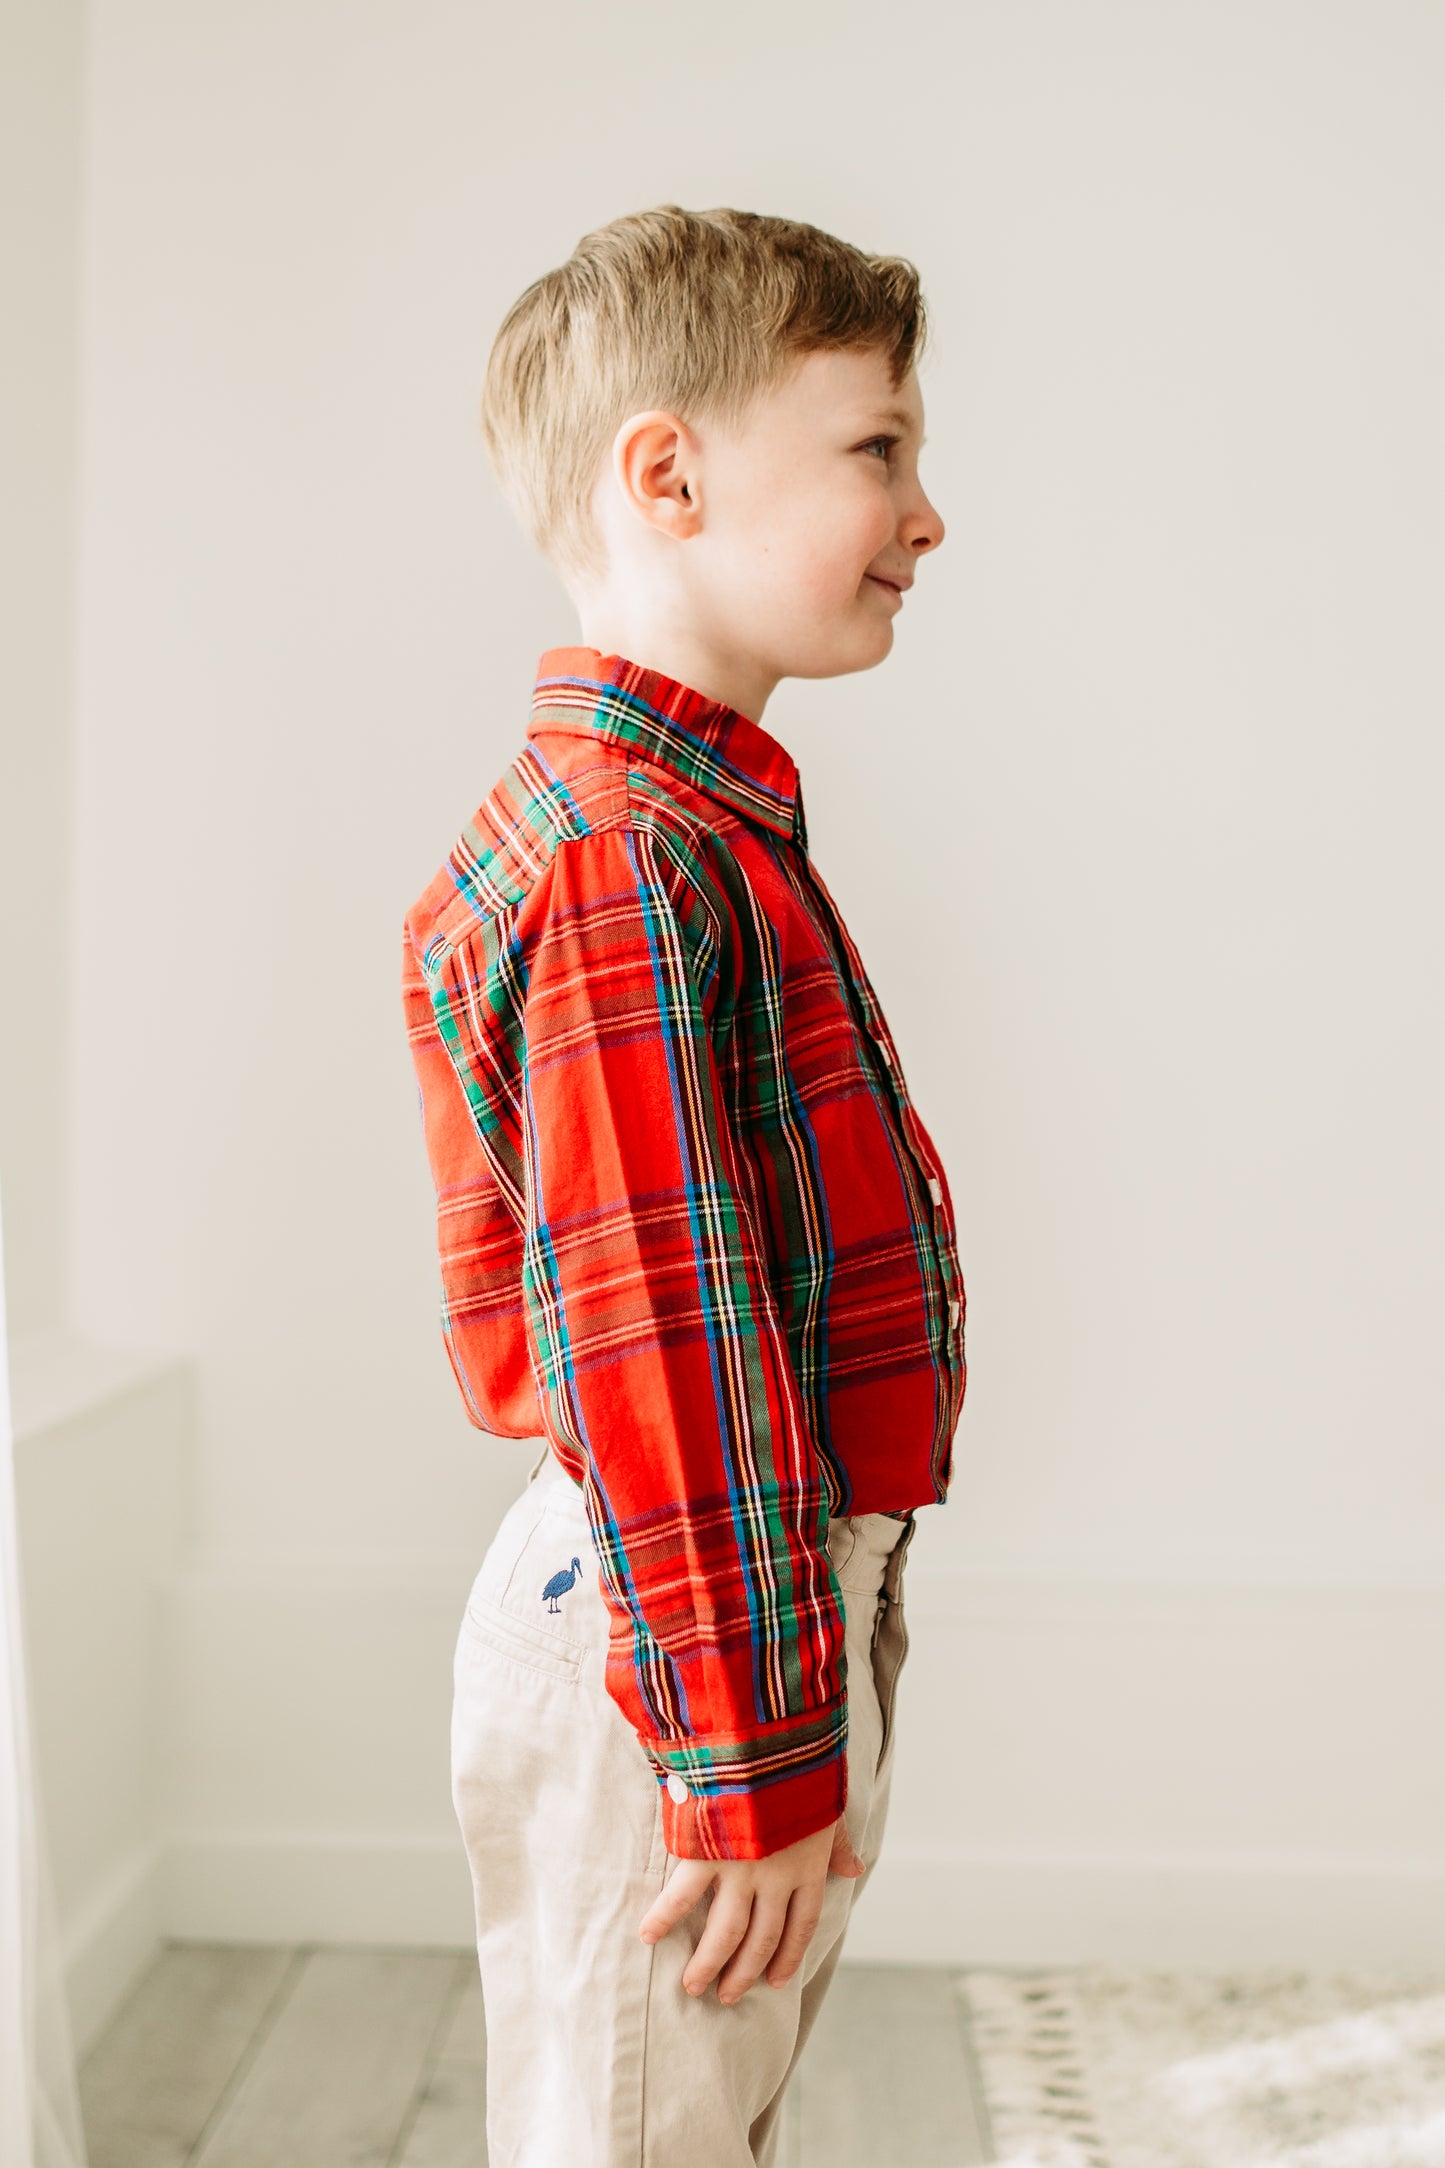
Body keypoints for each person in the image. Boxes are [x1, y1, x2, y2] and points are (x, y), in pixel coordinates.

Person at [400, 203, 967, 2166]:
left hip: (714, 1602)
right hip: (686, 1627)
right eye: (878, 448)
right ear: (668, 474)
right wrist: (748, 1755)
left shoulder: (677, 829)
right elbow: (674, 1356)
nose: (927, 509)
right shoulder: (630, 864)